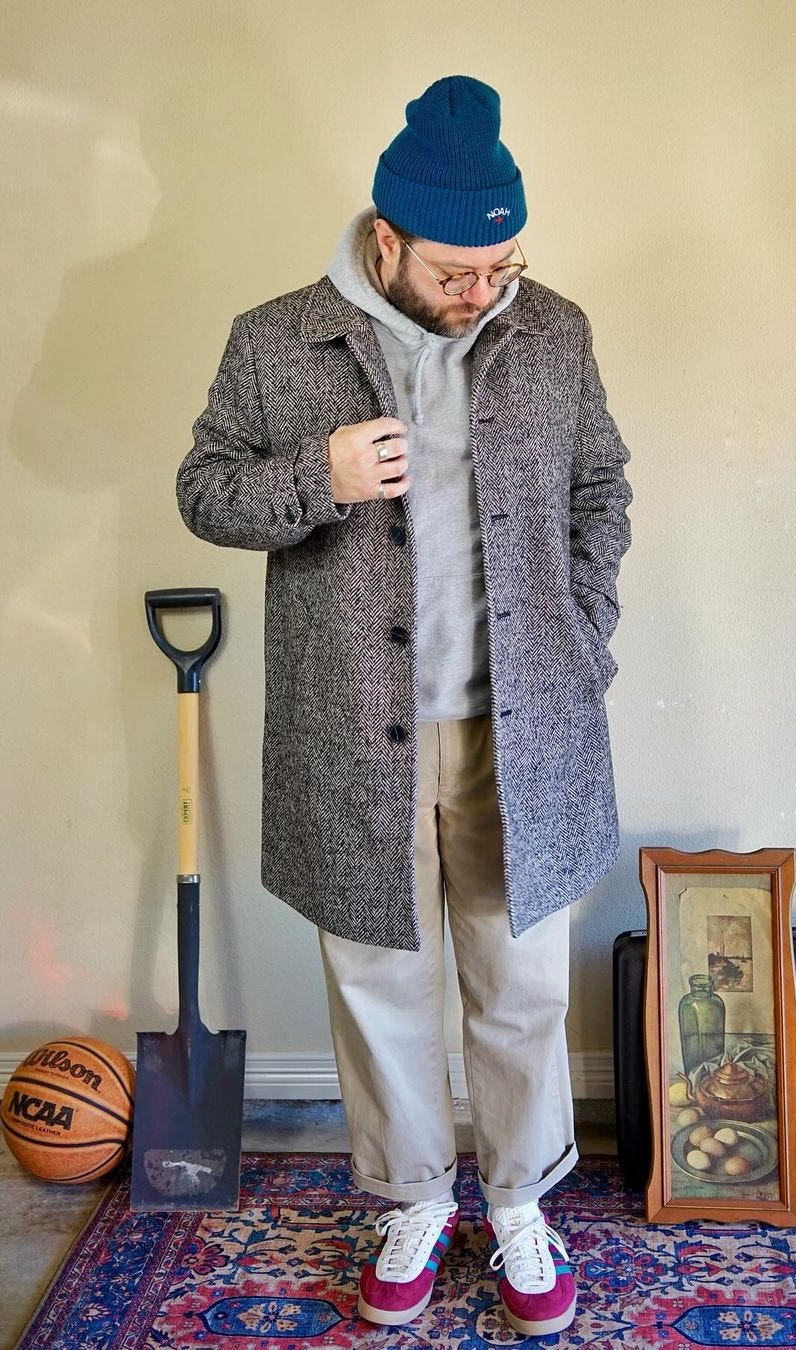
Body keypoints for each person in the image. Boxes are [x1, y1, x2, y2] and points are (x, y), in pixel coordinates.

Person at [177, 74, 632, 1337]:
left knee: (522, 979)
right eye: (455, 268)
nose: (483, 290)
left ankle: (522, 1204)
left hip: (522, 727)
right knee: (382, 982)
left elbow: (604, 484)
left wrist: (584, 633)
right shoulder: (276, 341)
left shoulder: (557, 332)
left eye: (503, 262)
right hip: (354, 728)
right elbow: (204, 491)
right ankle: (414, 1199)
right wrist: (313, 476)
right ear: (387, 239)